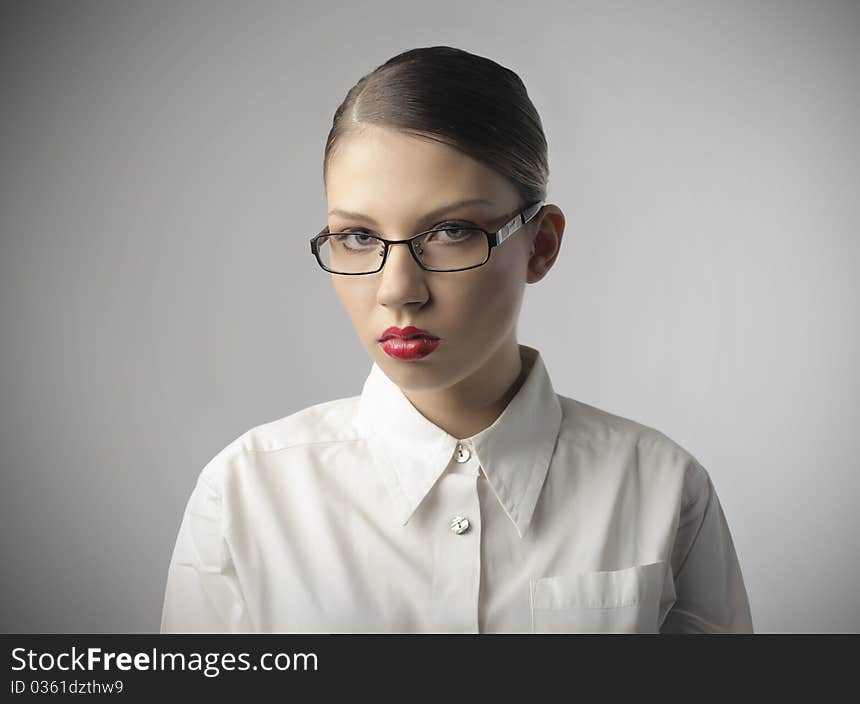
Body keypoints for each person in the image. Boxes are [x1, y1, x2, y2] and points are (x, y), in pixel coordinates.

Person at [159, 45, 753, 634]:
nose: (398, 291)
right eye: (359, 237)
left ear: (540, 244)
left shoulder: (664, 490)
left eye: (450, 231)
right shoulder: (244, 496)